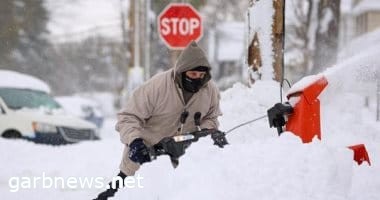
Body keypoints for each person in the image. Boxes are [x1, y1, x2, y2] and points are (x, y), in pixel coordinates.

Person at [94, 41, 228, 200]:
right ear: (182, 71)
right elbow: (128, 117)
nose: (198, 79)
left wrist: (207, 133)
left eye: (201, 75)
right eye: (193, 75)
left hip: (183, 165)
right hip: (144, 158)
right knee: (115, 196)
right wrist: (135, 141)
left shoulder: (209, 89)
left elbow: (211, 117)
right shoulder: (156, 87)